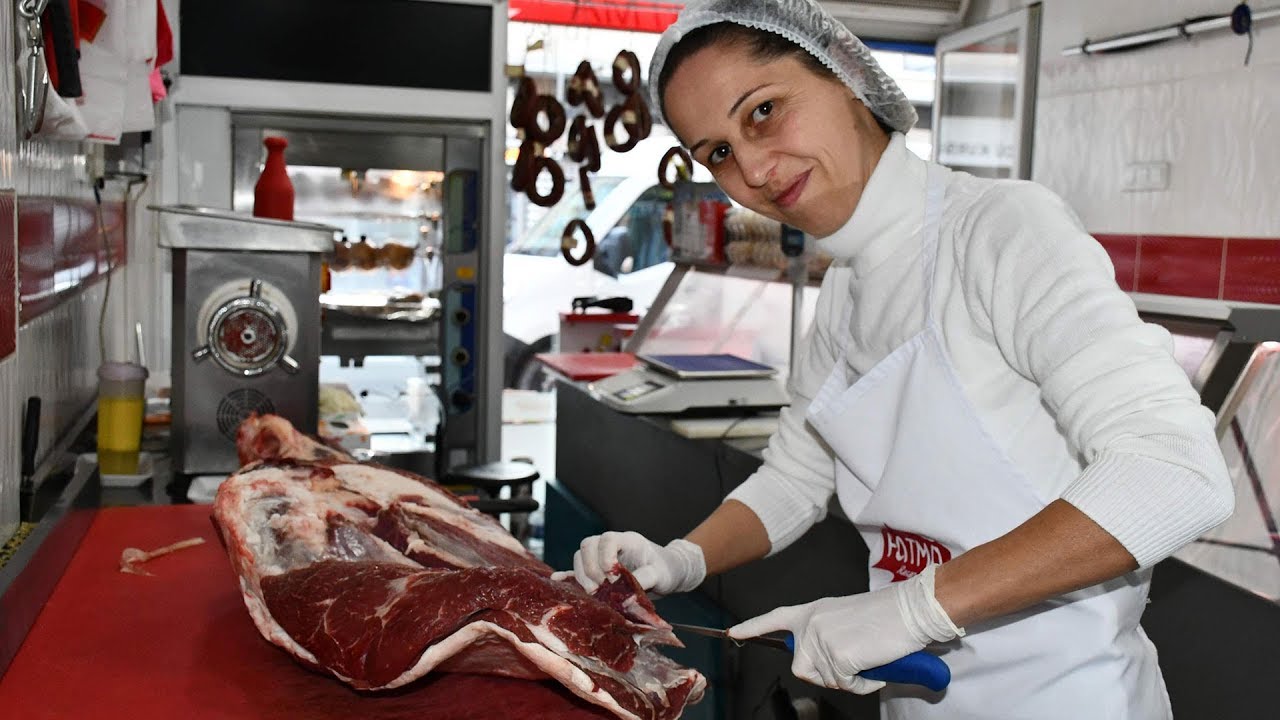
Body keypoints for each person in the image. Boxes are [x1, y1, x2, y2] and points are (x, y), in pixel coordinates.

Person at [563, 1, 1235, 718]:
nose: (753, 168)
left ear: (849, 77)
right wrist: (678, 560)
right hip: (918, 702)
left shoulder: (1003, 230)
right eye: (719, 153)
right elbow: (797, 477)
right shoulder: (848, 288)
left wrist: (910, 610)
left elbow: (1174, 473)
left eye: (762, 111)